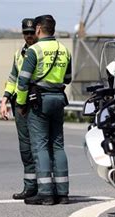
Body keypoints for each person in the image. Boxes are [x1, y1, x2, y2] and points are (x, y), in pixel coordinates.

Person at [15, 14, 72, 205]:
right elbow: (68, 79)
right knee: (58, 145)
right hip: (59, 99)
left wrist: (21, 105)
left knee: (40, 146)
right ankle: (62, 193)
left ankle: (46, 192)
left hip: (40, 101)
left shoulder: (34, 51)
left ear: (38, 28)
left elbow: (22, 82)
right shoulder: (64, 50)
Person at [0, 18, 39, 200]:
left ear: (37, 33)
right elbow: (13, 78)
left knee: (39, 146)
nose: (29, 36)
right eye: (26, 33)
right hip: (19, 104)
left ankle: (45, 186)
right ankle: (30, 186)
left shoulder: (40, 51)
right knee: (25, 147)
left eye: (32, 33)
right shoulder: (19, 54)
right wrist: (4, 100)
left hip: (36, 103)